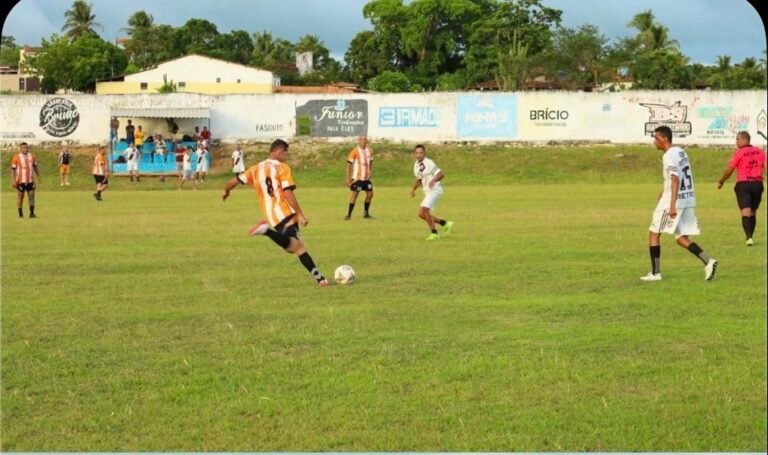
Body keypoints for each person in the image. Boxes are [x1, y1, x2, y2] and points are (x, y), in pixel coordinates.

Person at [222, 139, 328, 287]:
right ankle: (266, 231)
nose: (285, 155)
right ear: (278, 151)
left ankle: (320, 279)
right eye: (285, 152)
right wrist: (301, 214)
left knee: (297, 247)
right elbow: (288, 192)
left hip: (273, 216)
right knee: (297, 247)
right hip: (286, 213)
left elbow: (233, 181)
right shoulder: (282, 168)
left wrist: (226, 191)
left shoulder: (255, 169)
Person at [641, 126, 717, 282]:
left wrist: (672, 205)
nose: (654, 141)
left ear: (664, 139)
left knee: (654, 233)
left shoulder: (668, 155)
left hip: (674, 201)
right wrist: (665, 190)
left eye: (656, 138)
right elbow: (678, 176)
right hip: (687, 197)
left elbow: (675, 179)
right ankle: (708, 261)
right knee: (680, 237)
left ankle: (656, 273)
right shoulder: (681, 151)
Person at [717, 131, 766, 246]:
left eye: (737, 139)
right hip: (757, 184)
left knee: (745, 212)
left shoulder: (739, 153)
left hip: (743, 184)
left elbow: (729, 170)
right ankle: (750, 237)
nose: (736, 142)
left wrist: (721, 181)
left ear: (745, 140)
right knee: (753, 211)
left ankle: (748, 238)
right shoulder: (760, 152)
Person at [409, 144, 453, 240]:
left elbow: (441, 174)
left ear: (424, 153)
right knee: (421, 214)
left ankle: (434, 234)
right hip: (427, 192)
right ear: (414, 154)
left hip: (435, 190)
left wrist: (433, 180)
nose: (419, 155)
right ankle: (445, 223)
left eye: (421, 153)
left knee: (424, 211)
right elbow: (419, 179)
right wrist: (413, 189)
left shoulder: (429, 163)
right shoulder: (416, 165)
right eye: (417, 153)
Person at [344, 135, 375, 220]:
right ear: (359, 141)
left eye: (365, 140)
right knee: (355, 195)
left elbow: (371, 162)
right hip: (358, 178)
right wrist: (348, 178)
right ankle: (349, 215)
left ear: (367, 141)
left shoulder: (370, 151)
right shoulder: (355, 151)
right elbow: (349, 164)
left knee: (370, 194)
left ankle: (366, 213)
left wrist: (371, 171)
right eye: (362, 140)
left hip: (366, 178)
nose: (363, 141)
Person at [10, 142, 41, 218]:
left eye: (26, 147)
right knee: (21, 196)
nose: (25, 149)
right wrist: (13, 180)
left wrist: (38, 175)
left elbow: (35, 166)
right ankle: (20, 214)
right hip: (20, 181)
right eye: (24, 147)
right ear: (20, 149)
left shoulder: (32, 156)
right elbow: (13, 169)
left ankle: (32, 214)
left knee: (31, 196)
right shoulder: (16, 157)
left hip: (30, 181)